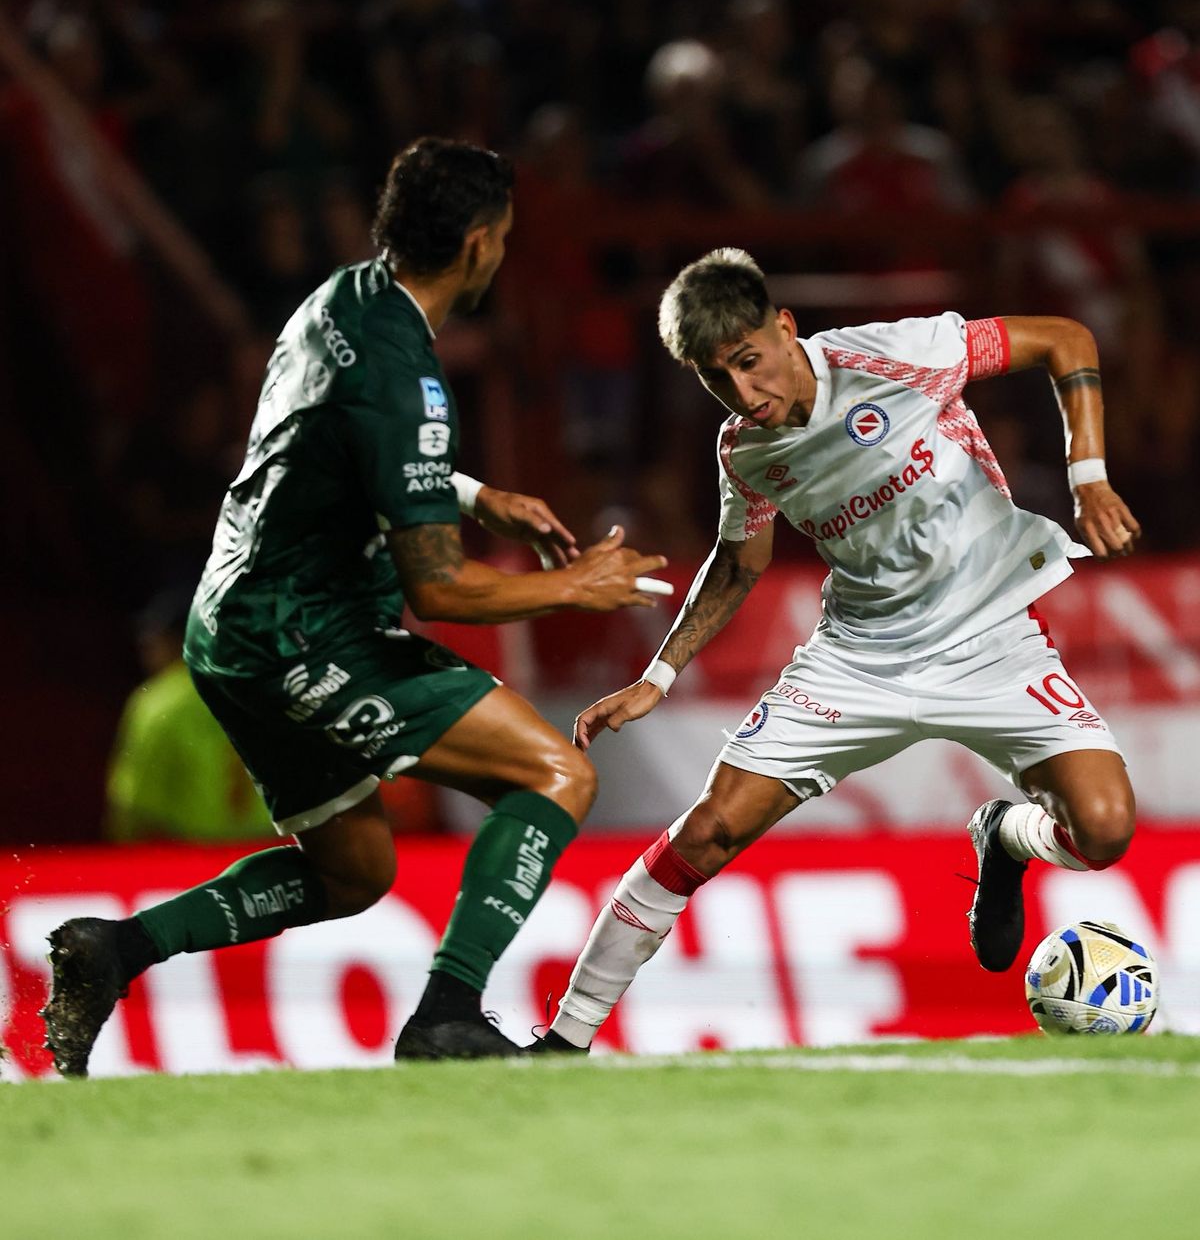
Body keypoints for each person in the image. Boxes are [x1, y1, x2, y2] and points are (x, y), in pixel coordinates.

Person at [42, 137, 667, 1075]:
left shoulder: (337, 302)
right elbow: (439, 589)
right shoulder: (407, 377)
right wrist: (578, 587)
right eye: (500, 237)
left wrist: (467, 492)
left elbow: (336, 440)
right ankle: (447, 1014)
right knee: (555, 776)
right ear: (478, 246)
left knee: (354, 870)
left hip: (231, 629)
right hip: (309, 631)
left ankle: (114, 950)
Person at [535, 247, 1140, 1054]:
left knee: (1102, 831)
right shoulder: (744, 450)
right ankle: (563, 1041)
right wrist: (659, 674)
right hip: (861, 660)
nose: (745, 393)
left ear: (785, 328)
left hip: (992, 640)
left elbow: (1065, 338)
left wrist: (1089, 477)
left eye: (751, 362)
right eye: (718, 379)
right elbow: (739, 560)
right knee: (707, 832)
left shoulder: (894, 355)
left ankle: (1003, 835)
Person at [105, 589, 273, 843]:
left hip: (189, 863)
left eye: (152, 636)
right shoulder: (273, 689)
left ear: (178, 638)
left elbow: (132, 808)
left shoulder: (159, 701)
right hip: (274, 857)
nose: (145, 647)